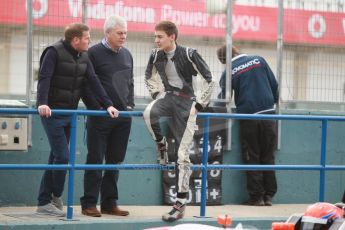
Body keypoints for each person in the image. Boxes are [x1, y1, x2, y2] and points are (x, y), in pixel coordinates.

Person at [36, 22, 118, 217]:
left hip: (69, 113)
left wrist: (108, 104)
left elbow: (94, 81)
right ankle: (54, 196)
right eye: (87, 38)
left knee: (56, 157)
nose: (90, 41)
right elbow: (44, 78)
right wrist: (42, 103)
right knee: (63, 157)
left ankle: (44, 201)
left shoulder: (84, 56)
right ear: (76, 40)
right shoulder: (53, 52)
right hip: (51, 113)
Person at [143, 20, 215, 222]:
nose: (156, 40)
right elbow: (149, 75)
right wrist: (156, 93)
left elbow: (210, 79)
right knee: (148, 113)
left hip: (187, 103)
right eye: (155, 36)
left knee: (183, 155)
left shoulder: (190, 53)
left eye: (160, 36)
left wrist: (199, 104)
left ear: (172, 37)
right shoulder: (155, 54)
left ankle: (180, 203)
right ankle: (161, 144)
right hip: (168, 97)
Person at [80, 15, 134, 217]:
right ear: (108, 33)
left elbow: (130, 83)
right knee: (95, 159)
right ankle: (89, 203)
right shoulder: (93, 53)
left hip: (122, 118)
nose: (124, 36)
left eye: (125, 33)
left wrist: (130, 105)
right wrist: (97, 108)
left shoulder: (127, 54)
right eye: (120, 33)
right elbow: (86, 84)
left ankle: (109, 203)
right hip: (99, 117)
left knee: (115, 161)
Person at [228, 45, 279, 206]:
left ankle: (256, 197)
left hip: (248, 116)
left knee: (252, 156)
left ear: (224, 60)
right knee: (268, 156)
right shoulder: (259, 59)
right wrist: (271, 102)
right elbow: (274, 85)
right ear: (237, 51)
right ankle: (269, 196)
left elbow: (223, 98)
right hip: (269, 115)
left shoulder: (229, 70)